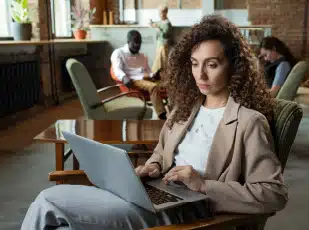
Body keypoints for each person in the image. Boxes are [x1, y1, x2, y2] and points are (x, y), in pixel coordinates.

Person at [21, 15, 288, 230]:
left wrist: (203, 185)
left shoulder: (249, 122)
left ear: (233, 67)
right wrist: (153, 166)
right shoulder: (186, 109)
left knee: (48, 202)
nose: (200, 75)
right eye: (195, 64)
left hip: (188, 213)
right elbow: (161, 153)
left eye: (212, 64)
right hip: (153, 193)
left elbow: (273, 193)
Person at [111, 30, 168, 119]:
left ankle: (177, 114)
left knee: (169, 84)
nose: (137, 45)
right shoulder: (119, 53)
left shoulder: (142, 56)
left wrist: (153, 75)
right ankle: (162, 115)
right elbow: (116, 69)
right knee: (153, 87)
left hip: (145, 78)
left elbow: (148, 70)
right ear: (128, 42)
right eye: (135, 42)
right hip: (132, 79)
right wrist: (124, 77)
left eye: (139, 43)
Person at [150, 5, 173, 74]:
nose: (159, 15)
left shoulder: (167, 23)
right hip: (159, 43)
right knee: (158, 59)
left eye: (161, 13)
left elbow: (165, 35)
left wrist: (157, 28)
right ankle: (157, 74)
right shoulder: (161, 22)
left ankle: (159, 73)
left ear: (165, 13)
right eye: (159, 13)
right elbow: (156, 23)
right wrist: (152, 23)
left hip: (164, 44)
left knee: (162, 60)